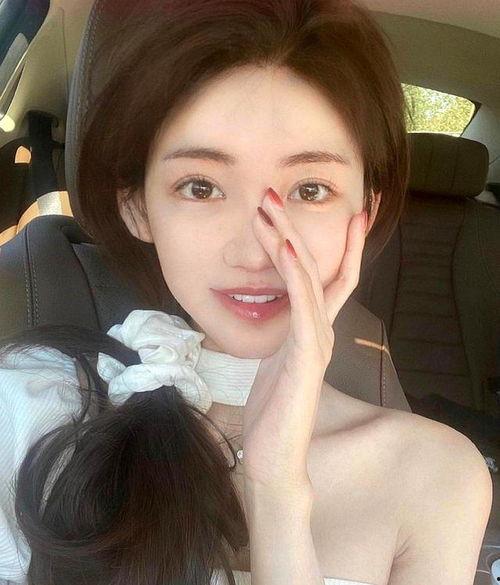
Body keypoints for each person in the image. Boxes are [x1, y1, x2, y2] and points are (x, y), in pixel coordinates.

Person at [0, 0, 492, 584]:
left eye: (310, 190)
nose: (256, 253)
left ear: (366, 209)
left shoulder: (438, 475)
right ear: (137, 207)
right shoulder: (33, 410)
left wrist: (275, 489)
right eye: (201, 187)